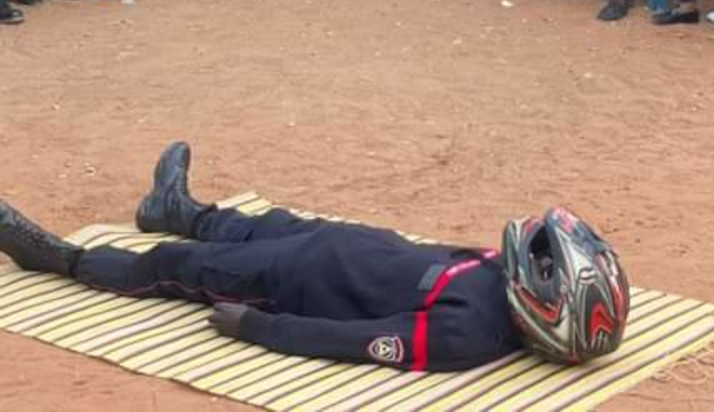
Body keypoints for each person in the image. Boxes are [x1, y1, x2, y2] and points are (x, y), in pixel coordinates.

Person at [0, 142, 629, 371]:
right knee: (253, 224)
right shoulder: (504, 285)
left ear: (543, 306)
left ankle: (58, 260)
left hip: (292, 283)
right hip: (337, 243)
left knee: (172, 266)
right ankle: (176, 207)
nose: (531, 251)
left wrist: (260, 327)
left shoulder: (468, 334)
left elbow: (356, 341)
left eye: (545, 262)